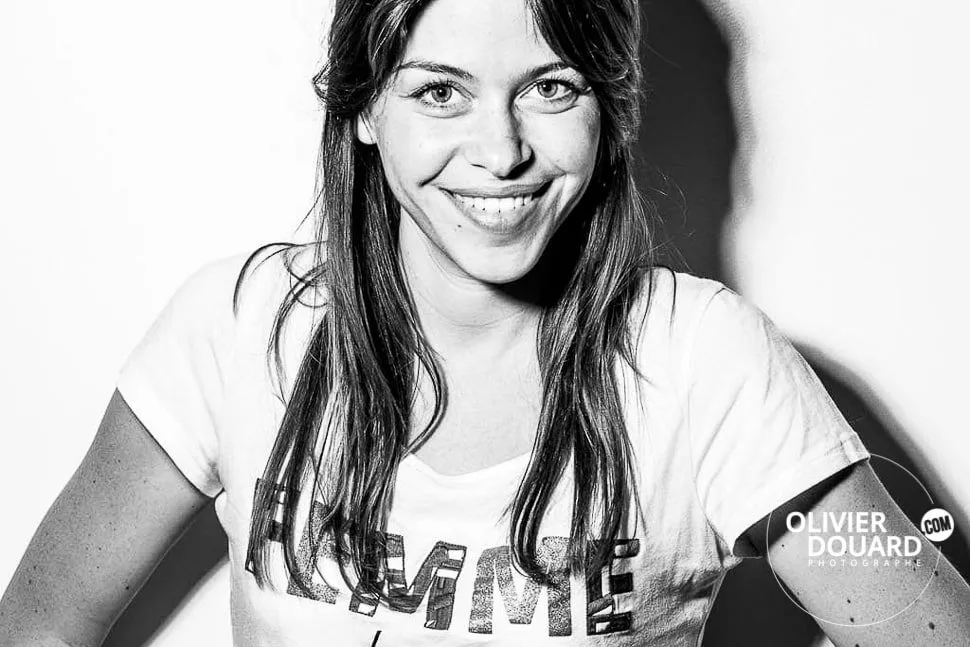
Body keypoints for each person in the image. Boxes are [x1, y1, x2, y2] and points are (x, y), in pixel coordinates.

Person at [2, 0, 969, 645]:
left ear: (608, 108)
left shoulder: (708, 361)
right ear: (365, 109)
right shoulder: (242, 325)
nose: (501, 151)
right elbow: (41, 625)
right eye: (440, 91)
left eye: (551, 87)